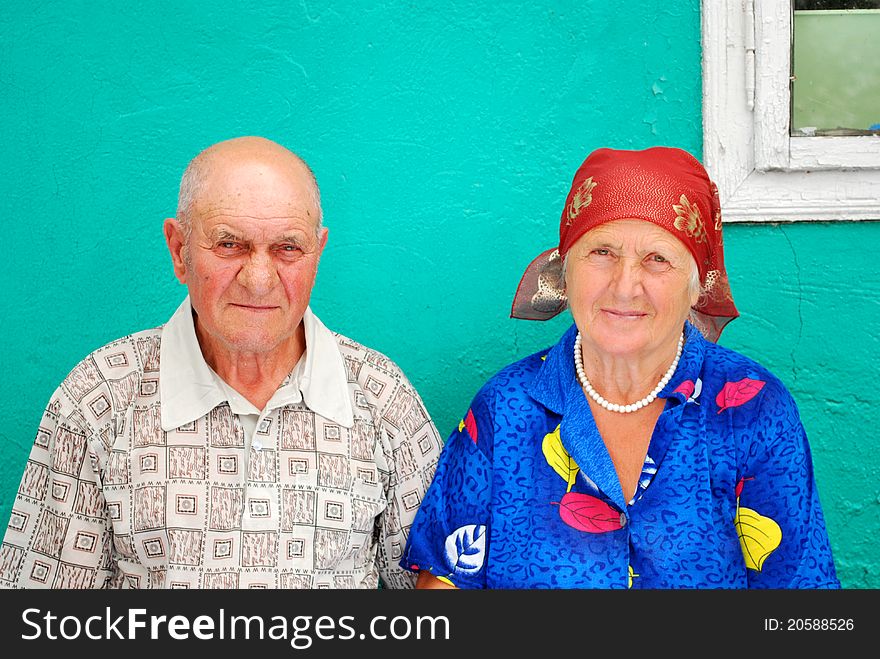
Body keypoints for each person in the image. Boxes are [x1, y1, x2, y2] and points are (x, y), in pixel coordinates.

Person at [0, 136, 442, 589]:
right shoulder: (99, 397)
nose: (258, 280)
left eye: (287, 248)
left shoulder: (381, 397)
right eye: (230, 244)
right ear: (179, 250)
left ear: (317, 253)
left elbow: (437, 603)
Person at [402, 146, 839, 589]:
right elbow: (444, 586)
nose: (625, 286)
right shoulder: (506, 409)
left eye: (657, 259)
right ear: (565, 273)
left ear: (695, 288)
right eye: (603, 252)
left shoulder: (751, 409)